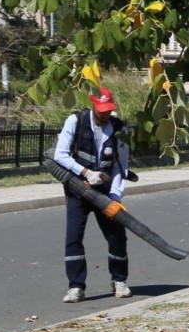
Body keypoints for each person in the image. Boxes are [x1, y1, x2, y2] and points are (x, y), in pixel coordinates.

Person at [51, 87, 133, 303]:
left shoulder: (119, 129)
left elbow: (120, 166)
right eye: (101, 111)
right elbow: (60, 154)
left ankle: (119, 280)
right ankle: (76, 286)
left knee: (117, 236)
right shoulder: (75, 121)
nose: (104, 115)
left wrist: (115, 195)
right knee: (74, 237)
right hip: (78, 189)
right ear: (93, 106)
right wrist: (85, 172)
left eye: (108, 111)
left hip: (105, 192)